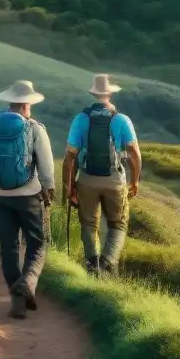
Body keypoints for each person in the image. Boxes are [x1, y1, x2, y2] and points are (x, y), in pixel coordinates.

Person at [0, 80, 54, 319]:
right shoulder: (35, 128)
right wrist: (49, 191)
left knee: (9, 247)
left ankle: (17, 303)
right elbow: (47, 169)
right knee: (37, 244)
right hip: (28, 195)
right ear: (27, 104)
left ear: (9, 101)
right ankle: (28, 283)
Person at [62, 74, 141, 276]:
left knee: (89, 224)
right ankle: (107, 262)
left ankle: (92, 265)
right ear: (111, 93)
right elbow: (134, 154)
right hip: (114, 180)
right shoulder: (122, 120)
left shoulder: (81, 119)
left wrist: (69, 188)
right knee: (118, 224)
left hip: (87, 179)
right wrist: (134, 181)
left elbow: (69, 158)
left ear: (94, 94)